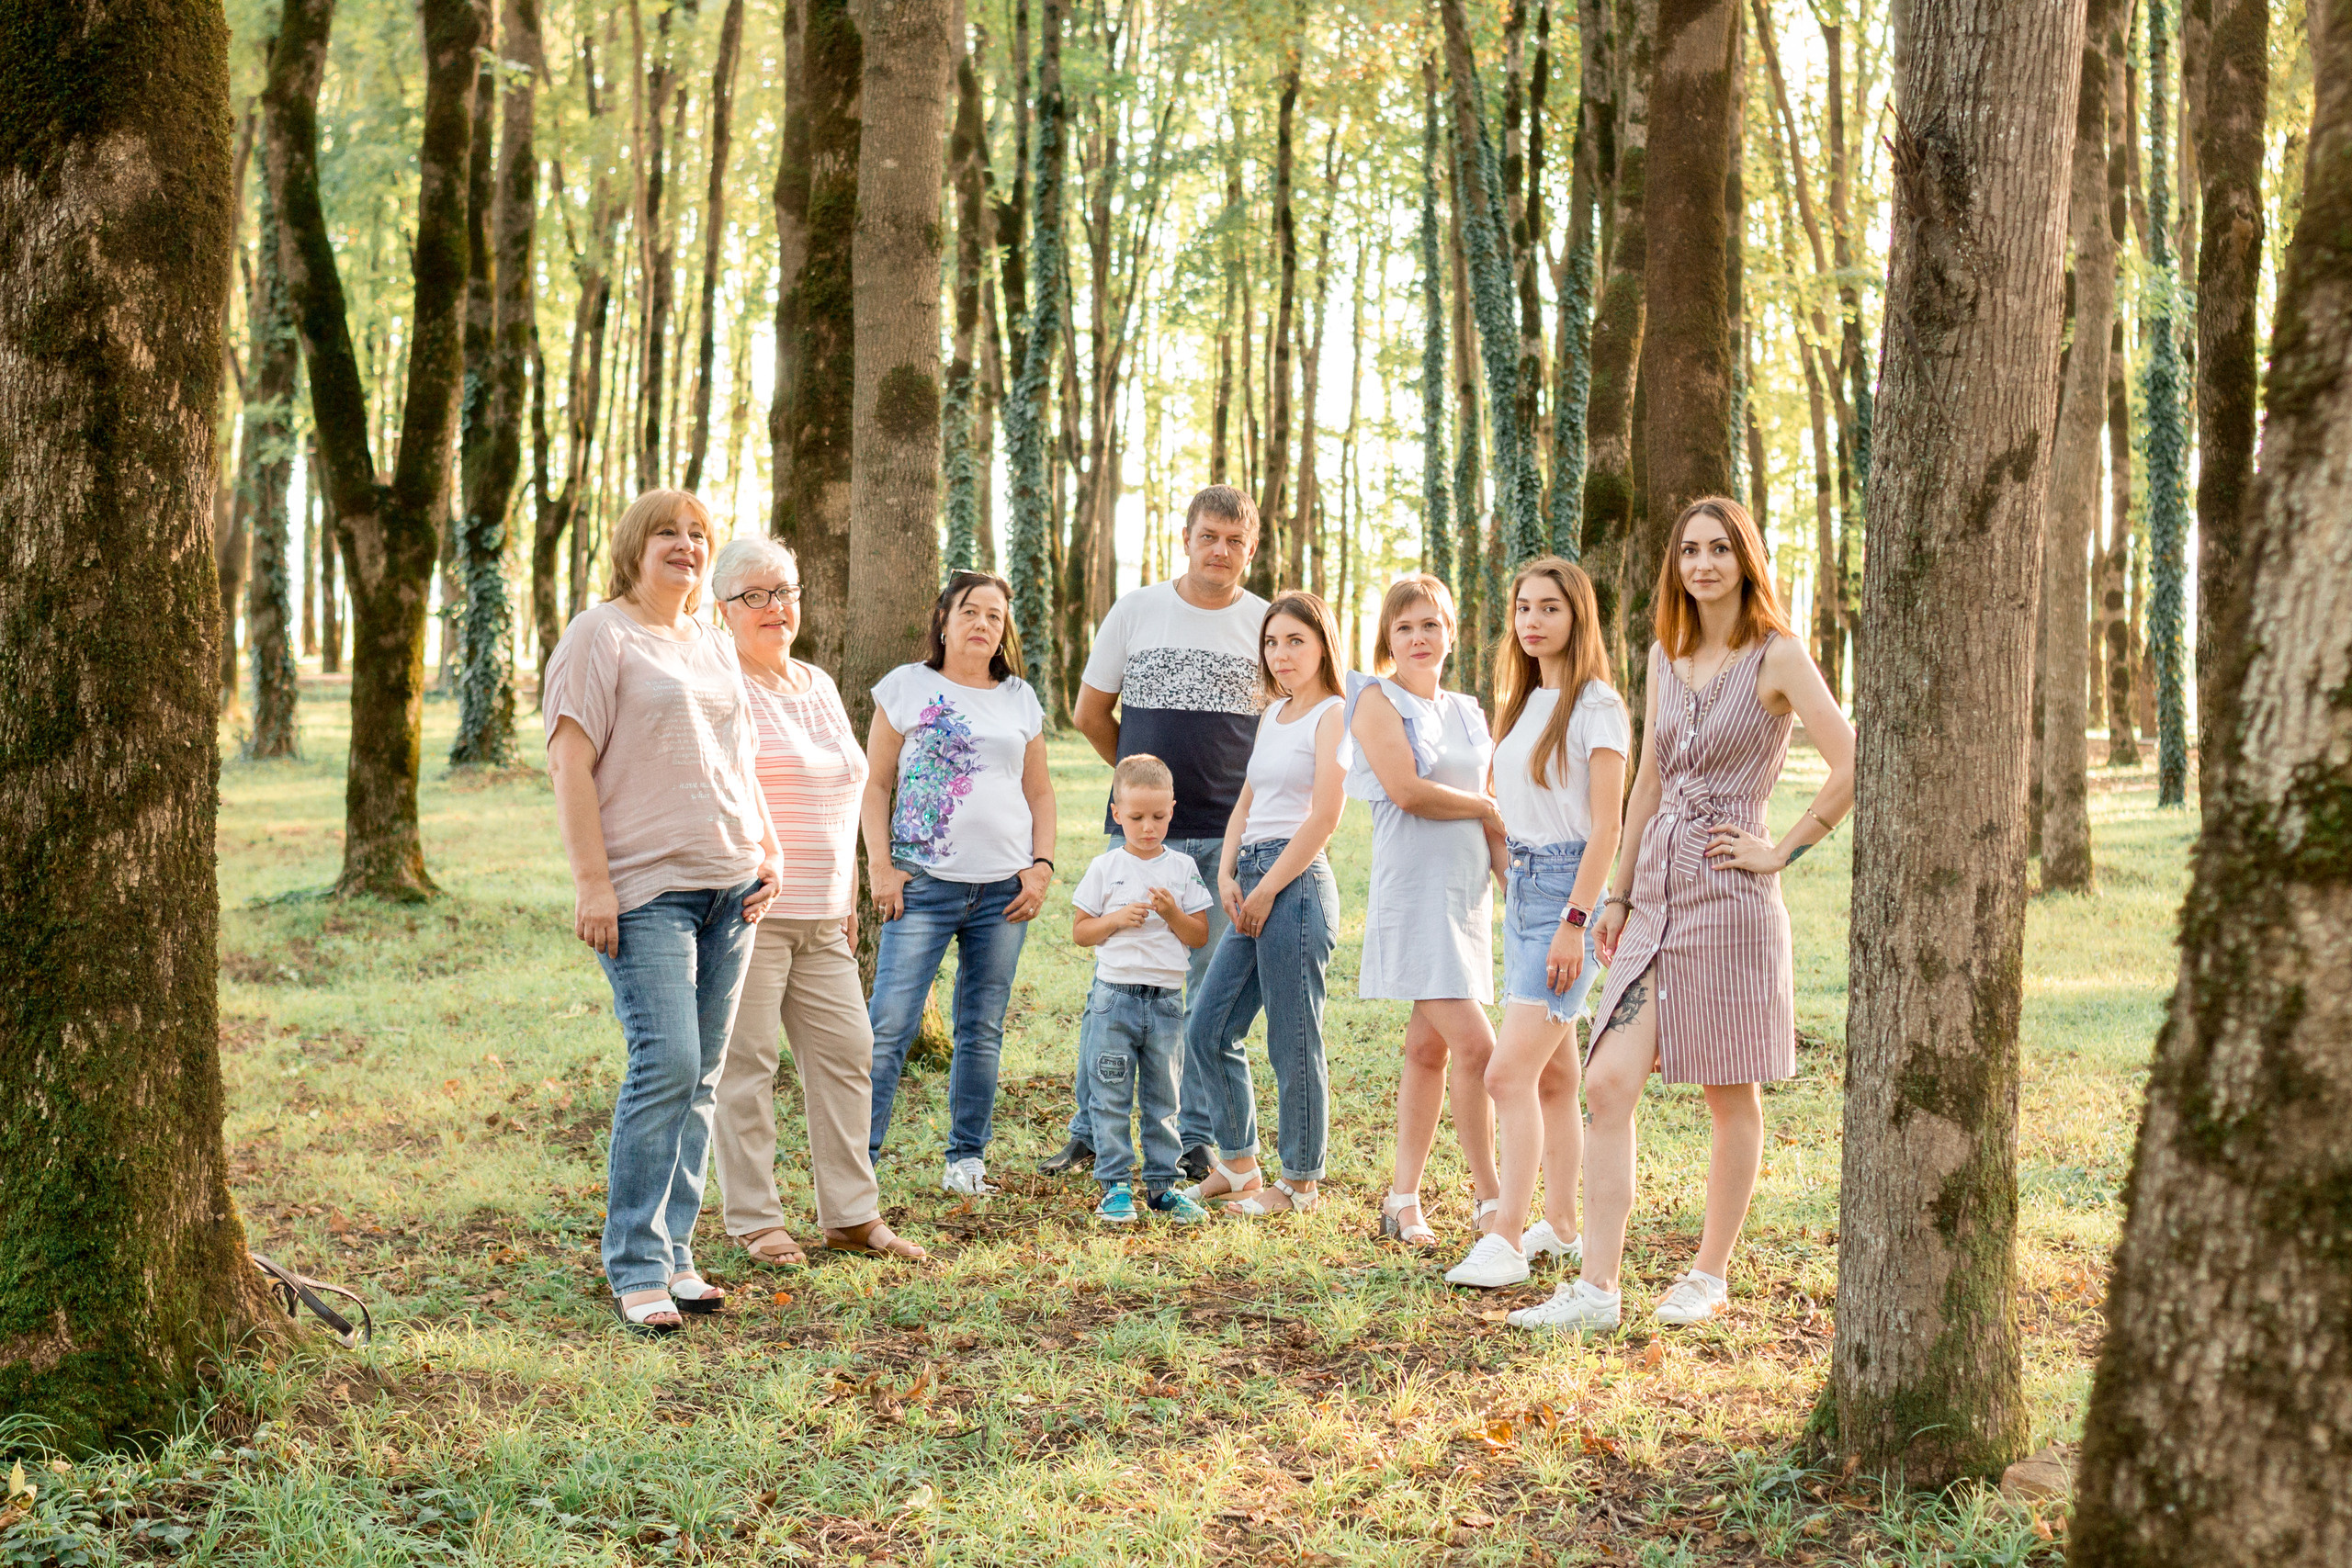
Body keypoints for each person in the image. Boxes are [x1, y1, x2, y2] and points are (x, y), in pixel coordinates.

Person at [1511, 498, 1855, 1334]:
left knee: (1728, 1093)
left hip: (1731, 899)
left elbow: (1852, 758)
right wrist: (1617, 893)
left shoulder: (1778, 655)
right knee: (1606, 1081)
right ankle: (1598, 1290)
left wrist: (1783, 848)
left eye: (1719, 549)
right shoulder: (1665, 656)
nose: (1703, 564)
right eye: (1690, 550)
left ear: (1746, 560)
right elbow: (1650, 782)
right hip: (1655, 895)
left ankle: (1708, 1273)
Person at [543, 490, 782, 1337]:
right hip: (645, 889)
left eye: (697, 534)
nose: (686, 545)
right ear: (633, 546)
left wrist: (769, 849)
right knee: (667, 1063)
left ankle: (677, 1253)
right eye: (667, 533)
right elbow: (569, 763)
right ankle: (636, 1263)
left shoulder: (713, 642)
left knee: (703, 1075)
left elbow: (739, 758)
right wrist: (592, 883)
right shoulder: (599, 634)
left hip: (732, 888)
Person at [707, 536, 925, 1267]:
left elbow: (847, 794)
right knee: (747, 1067)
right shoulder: (720, 684)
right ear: (723, 607)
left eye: (785, 591)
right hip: (752, 910)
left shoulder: (819, 683)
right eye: (755, 595)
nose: (775, 607)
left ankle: (851, 1214)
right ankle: (755, 1220)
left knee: (847, 1054)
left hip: (826, 915)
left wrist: (849, 891)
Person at [1057, 485, 1269, 1179]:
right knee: (1113, 984)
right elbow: (1089, 714)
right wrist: (1139, 795)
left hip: (1228, 838)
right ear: (1186, 538)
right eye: (1209, 536)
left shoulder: (1266, 625)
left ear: (1252, 549)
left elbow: (1282, 731)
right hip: (1142, 839)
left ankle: (1192, 1137)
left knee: (1204, 998)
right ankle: (1090, 1128)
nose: (1220, 551)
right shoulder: (1137, 610)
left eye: (1235, 541)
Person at [1445, 558, 1629, 1289]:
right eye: (1524, 606)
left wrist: (1575, 922)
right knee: (1552, 1074)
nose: (1532, 620)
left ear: (1578, 616)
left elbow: (1607, 827)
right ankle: (1559, 1225)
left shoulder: (1597, 706)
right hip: (1523, 888)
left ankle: (1507, 1237)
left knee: (1506, 1071)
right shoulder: (1523, 701)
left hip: (1567, 895)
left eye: (1550, 607)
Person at [862, 570, 1057, 1197]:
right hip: (922, 885)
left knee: (981, 1028)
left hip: (1003, 893)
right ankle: (856, 1167)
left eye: (995, 616)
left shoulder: (1019, 697)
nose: (982, 623)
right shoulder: (906, 686)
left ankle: (966, 1160)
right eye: (970, 611)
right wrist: (881, 866)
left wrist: (1042, 865)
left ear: (1003, 632)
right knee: (889, 1026)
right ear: (944, 620)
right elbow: (876, 785)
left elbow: (1039, 791)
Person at [1344, 575, 1510, 1252]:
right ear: (1388, 636)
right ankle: (1492, 1199)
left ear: (1450, 633)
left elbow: (1492, 808)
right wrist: (1485, 807)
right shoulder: (1375, 700)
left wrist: (1513, 884)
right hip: (1413, 894)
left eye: (1430, 624)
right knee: (1478, 1046)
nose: (1418, 637)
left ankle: (1402, 1198)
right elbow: (1407, 791)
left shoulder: (1469, 710)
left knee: (1428, 1048)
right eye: (1405, 626)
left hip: (1466, 896)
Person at [1179, 592, 1350, 1218]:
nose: (1281, 654)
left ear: (1323, 645)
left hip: (1295, 885)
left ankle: (1300, 1183)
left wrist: (1269, 887)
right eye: (1272, 642)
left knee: (1293, 1037)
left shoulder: (1334, 714)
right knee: (1208, 1027)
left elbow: (1325, 816)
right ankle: (1240, 1163)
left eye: (1296, 641)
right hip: (1250, 876)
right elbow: (1246, 803)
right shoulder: (1273, 713)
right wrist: (1227, 874)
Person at [1069, 754, 1216, 1225]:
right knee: (1110, 1095)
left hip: (1167, 1002)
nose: (1148, 828)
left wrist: (1172, 914)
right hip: (1114, 999)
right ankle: (1114, 1186)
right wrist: (1115, 919)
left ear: (1172, 809)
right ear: (1116, 813)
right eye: (1135, 818)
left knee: (1163, 1099)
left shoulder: (1184, 867)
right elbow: (1081, 932)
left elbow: (1199, 936)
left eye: (1158, 816)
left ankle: (1162, 1187)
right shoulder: (1105, 866)